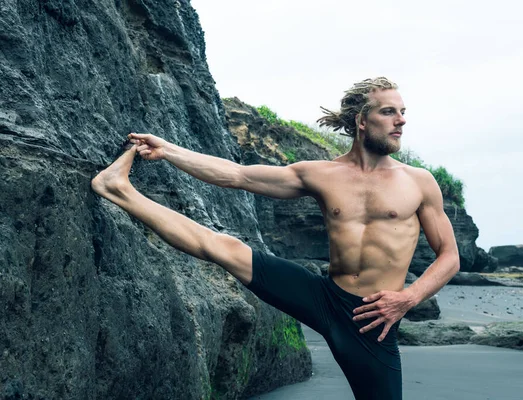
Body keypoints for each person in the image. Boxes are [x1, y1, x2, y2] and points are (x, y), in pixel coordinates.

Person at [91, 77, 460, 399]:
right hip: (324, 297)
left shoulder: (418, 182)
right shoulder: (321, 174)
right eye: (389, 112)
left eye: (403, 111)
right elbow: (238, 175)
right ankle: (118, 188)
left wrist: (407, 299)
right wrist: (167, 150)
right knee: (224, 248)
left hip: (372, 321)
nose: (402, 120)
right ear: (362, 121)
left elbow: (449, 256)